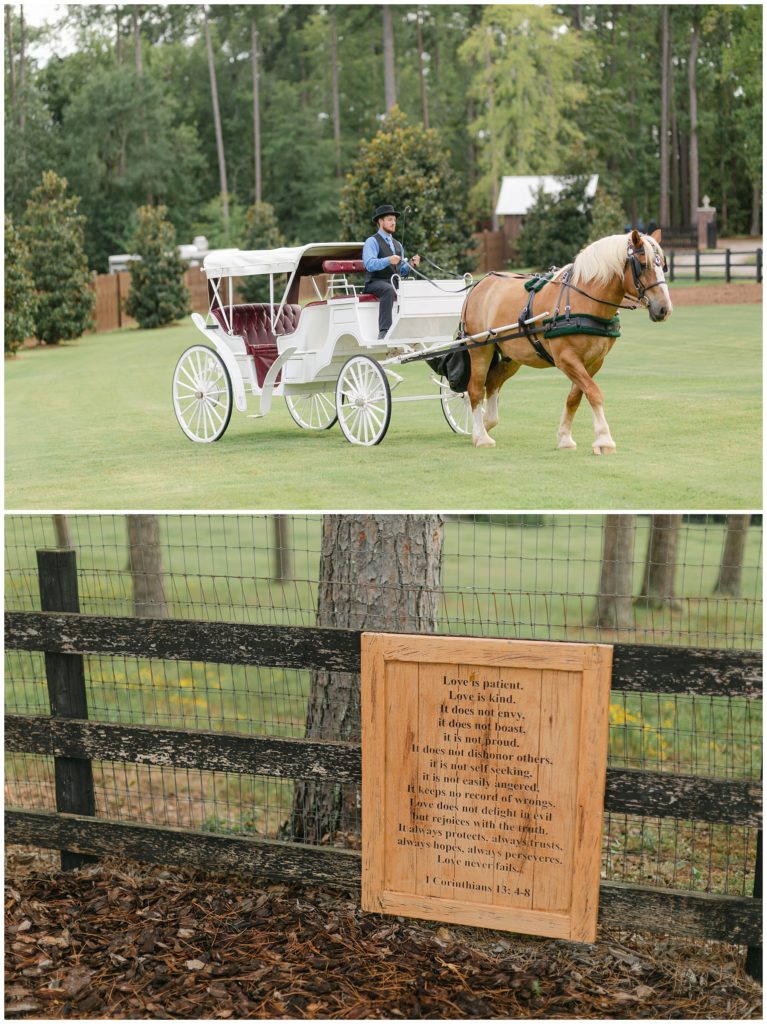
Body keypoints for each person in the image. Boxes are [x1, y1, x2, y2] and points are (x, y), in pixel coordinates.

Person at [362, 204, 421, 338]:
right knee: (388, 289)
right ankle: (384, 332)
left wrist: (411, 264)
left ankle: (412, 328)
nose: (393, 222)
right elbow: (369, 264)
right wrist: (388, 260)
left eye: (394, 220)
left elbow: (401, 272)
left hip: (393, 282)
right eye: (389, 219)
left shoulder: (397, 245)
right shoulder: (371, 241)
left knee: (413, 288)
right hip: (375, 282)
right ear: (380, 221)